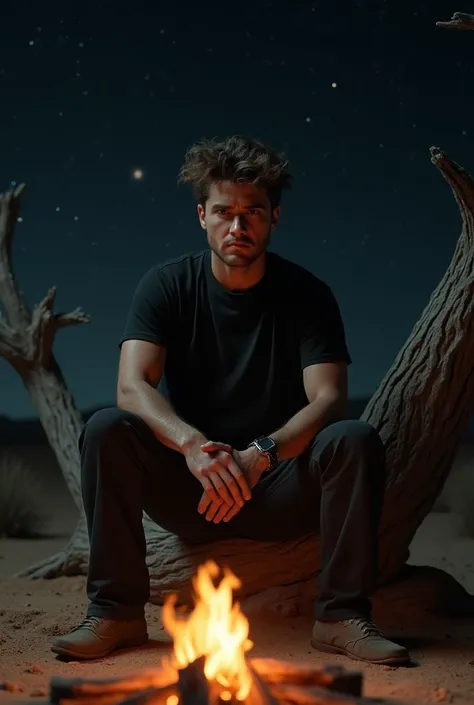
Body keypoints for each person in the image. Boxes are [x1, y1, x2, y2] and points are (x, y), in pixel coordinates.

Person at [51, 135, 409, 666]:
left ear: (274, 217)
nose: (238, 227)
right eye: (224, 212)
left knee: (352, 437)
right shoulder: (166, 285)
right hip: (192, 485)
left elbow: (328, 398)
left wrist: (261, 453)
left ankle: (341, 618)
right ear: (202, 215)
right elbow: (132, 385)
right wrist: (194, 447)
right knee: (107, 427)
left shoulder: (307, 294)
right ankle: (115, 614)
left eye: (252, 213)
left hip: (278, 483)